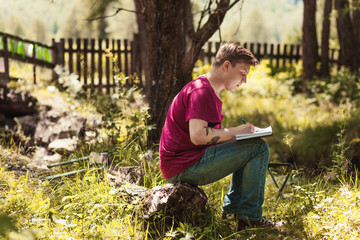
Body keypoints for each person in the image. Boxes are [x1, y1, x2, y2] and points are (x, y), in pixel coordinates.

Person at [159, 42, 280, 230]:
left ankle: (233, 211)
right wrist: (238, 131)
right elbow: (198, 137)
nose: (244, 80)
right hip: (183, 165)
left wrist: (244, 134)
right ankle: (250, 218)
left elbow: (207, 138)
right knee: (258, 149)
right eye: (242, 73)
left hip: (186, 161)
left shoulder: (208, 90)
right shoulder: (201, 91)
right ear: (226, 66)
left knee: (251, 145)